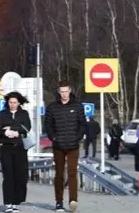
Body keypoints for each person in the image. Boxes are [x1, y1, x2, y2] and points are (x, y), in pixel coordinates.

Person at [44, 81, 86, 212]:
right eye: (62, 91)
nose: (64, 94)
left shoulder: (78, 106)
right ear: (58, 92)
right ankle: (59, 201)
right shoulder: (52, 107)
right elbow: (48, 124)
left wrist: (77, 137)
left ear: (70, 91)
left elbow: (83, 124)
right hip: (58, 145)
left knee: (72, 172)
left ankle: (73, 200)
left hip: (73, 144)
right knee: (59, 174)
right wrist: (53, 137)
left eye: (66, 91)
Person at [0, 92, 31, 213]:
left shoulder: (23, 113)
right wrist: (5, 132)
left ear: (19, 102)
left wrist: (12, 128)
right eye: (10, 102)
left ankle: (17, 202)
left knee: (20, 175)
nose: (12, 105)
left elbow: (27, 127)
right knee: (8, 175)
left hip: (20, 147)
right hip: (6, 147)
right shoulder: (3, 114)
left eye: (15, 102)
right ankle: (8, 202)